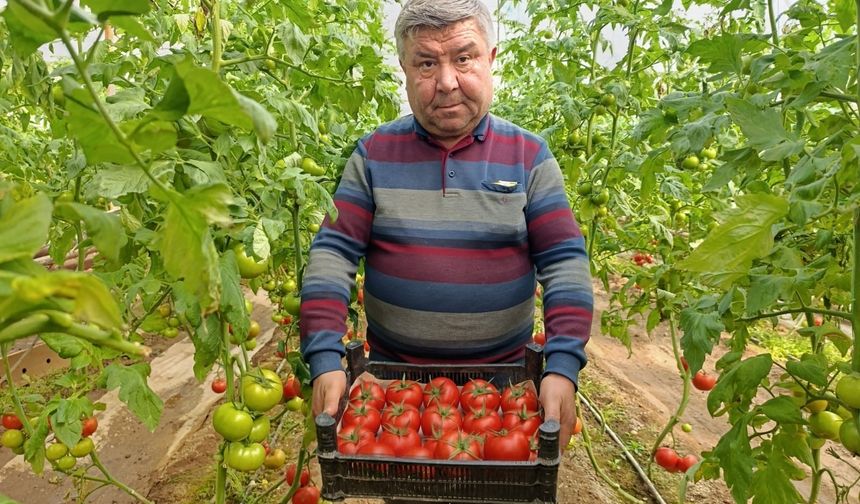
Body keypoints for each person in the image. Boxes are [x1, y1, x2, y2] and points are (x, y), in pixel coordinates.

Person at [299, 0, 593, 450]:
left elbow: (564, 261)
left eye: (463, 57)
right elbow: (333, 252)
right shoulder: (373, 155)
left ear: (490, 59)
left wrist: (561, 367)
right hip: (394, 395)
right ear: (404, 68)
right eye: (426, 63)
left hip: (501, 394)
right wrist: (325, 357)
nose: (447, 81)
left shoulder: (530, 157)